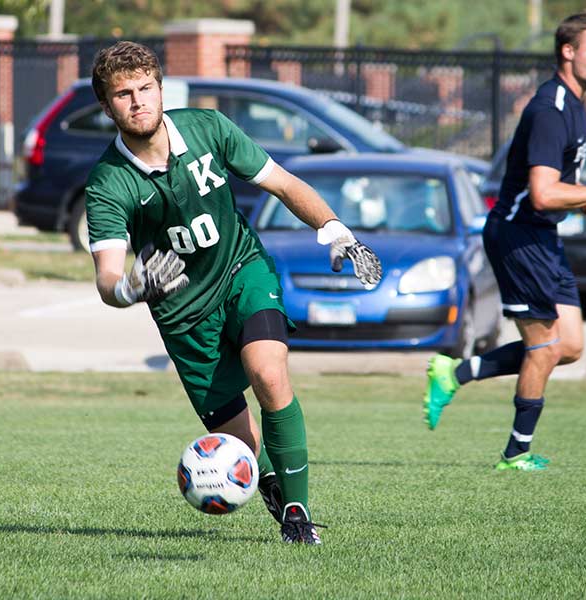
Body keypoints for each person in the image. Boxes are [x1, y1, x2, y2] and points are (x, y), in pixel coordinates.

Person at [85, 41, 381, 544]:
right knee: (244, 446)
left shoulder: (209, 128)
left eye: (145, 89)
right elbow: (107, 279)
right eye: (123, 94)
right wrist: (132, 287)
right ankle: (270, 482)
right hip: (183, 319)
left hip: (242, 271)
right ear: (107, 105)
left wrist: (336, 231)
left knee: (268, 373)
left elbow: (284, 184)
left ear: (160, 89)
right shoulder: (107, 184)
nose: (137, 101)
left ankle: (297, 516)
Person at [423, 11, 586, 471]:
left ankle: (455, 372)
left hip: (542, 235)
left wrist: (580, 200)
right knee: (543, 347)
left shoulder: (577, 105)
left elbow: (552, 191)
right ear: (568, 51)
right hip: (519, 236)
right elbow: (541, 193)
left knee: (570, 345)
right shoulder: (550, 109)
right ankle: (515, 454)